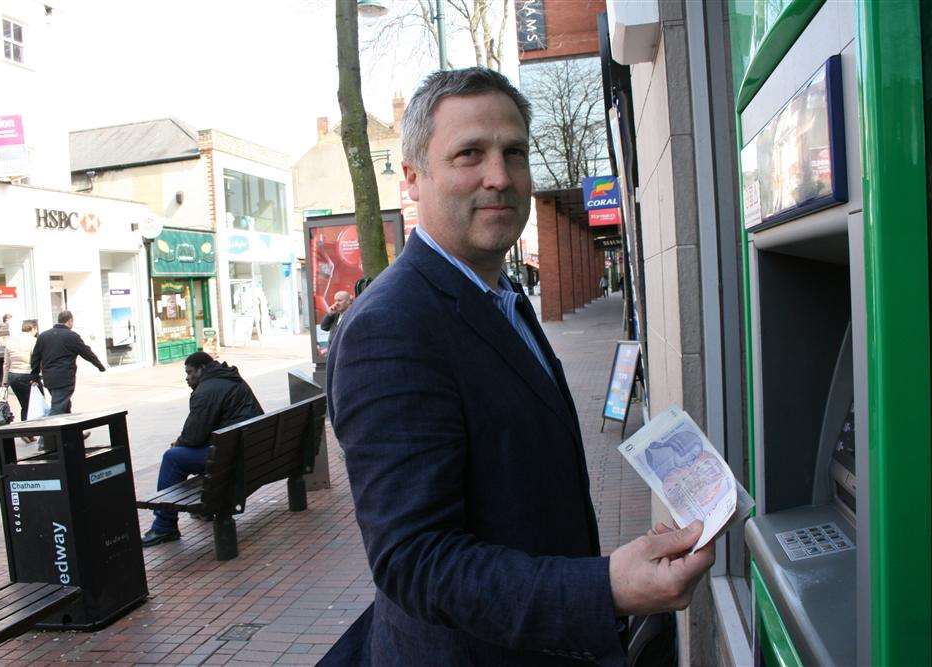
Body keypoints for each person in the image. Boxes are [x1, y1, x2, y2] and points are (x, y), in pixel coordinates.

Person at [324, 68, 714, 665]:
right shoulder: (390, 327)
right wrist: (605, 587)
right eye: (468, 155)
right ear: (412, 179)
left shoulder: (498, 293)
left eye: (514, 152)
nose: (500, 177)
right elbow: (416, 560)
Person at [142, 351, 264, 546]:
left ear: (202, 369)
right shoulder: (231, 378)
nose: (187, 378)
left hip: (233, 456)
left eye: (190, 372)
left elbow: (194, 435)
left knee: (172, 458)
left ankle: (164, 526)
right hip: (253, 450)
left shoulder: (206, 390)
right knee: (198, 452)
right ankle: (205, 510)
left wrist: (179, 443)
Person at [30, 310, 105, 416]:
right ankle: (48, 431)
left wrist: (34, 375)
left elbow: (35, 357)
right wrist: (99, 365)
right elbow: (86, 352)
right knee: (58, 408)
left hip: (49, 379)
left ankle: (73, 432)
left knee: (65, 405)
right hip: (64, 378)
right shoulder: (71, 336)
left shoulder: (43, 336)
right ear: (70, 321)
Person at [2, 320, 39, 443]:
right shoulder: (33, 341)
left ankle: (26, 432)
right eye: (36, 329)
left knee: (25, 405)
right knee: (38, 402)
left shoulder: (10, 341)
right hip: (27, 375)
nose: (36, 332)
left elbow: (6, 364)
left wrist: (5, 381)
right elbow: (36, 360)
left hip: (13, 376)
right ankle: (37, 432)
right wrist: (38, 376)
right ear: (33, 329)